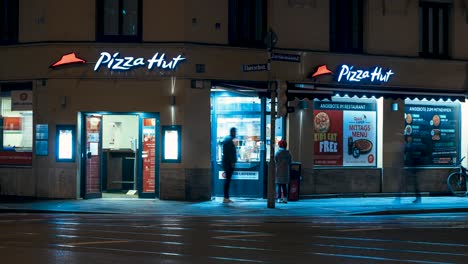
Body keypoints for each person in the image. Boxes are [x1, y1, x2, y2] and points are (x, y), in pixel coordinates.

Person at [222, 127, 237, 203]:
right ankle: (225, 198)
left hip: (226, 163)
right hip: (228, 163)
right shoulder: (229, 140)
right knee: (227, 181)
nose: (236, 133)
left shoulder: (227, 139)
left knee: (227, 181)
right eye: (235, 132)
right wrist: (232, 162)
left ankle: (226, 197)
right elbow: (230, 153)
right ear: (233, 132)